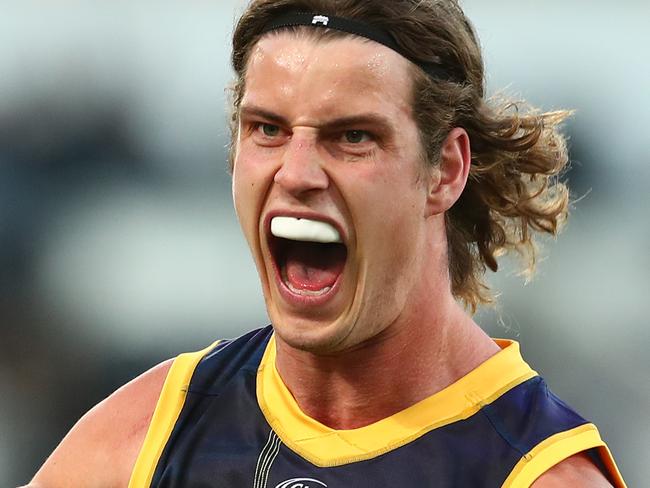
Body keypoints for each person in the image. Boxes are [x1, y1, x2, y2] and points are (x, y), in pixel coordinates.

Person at [27, 1, 626, 487]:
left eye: (353, 136)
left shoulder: (532, 473)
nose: (297, 173)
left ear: (444, 171)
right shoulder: (149, 436)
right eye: (268, 130)